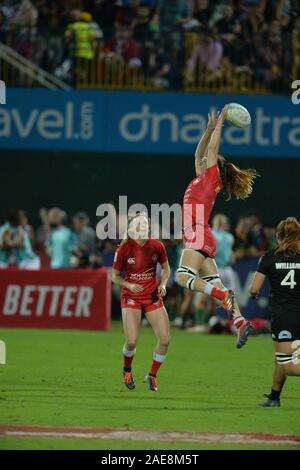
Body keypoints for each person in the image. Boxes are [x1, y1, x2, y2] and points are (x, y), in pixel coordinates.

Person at [176, 106, 259, 348]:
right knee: (216, 282)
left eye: (206, 161)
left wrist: (221, 124)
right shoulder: (201, 179)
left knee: (183, 277)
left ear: (213, 166)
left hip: (198, 233)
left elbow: (211, 150)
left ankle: (223, 296)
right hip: (203, 236)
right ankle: (240, 320)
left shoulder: (212, 178)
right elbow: (198, 153)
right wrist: (209, 128)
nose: (201, 160)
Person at [112, 212, 170, 392]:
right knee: (131, 341)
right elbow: (114, 277)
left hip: (152, 296)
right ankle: (127, 371)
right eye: (139, 225)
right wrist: (129, 284)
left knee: (165, 339)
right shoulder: (124, 249)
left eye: (145, 224)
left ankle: (152, 376)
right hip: (132, 297)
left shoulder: (157, 245)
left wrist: (163, 284)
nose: (143, 227)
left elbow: (166, 269)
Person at [249, 217, 300, 407]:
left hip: (285, 316)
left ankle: (274, 398)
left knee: (287, 364)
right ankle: (274, 397)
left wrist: (254, 295)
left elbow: (254, 289)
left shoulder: (269, 257)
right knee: (280, 360)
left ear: (278, 235)